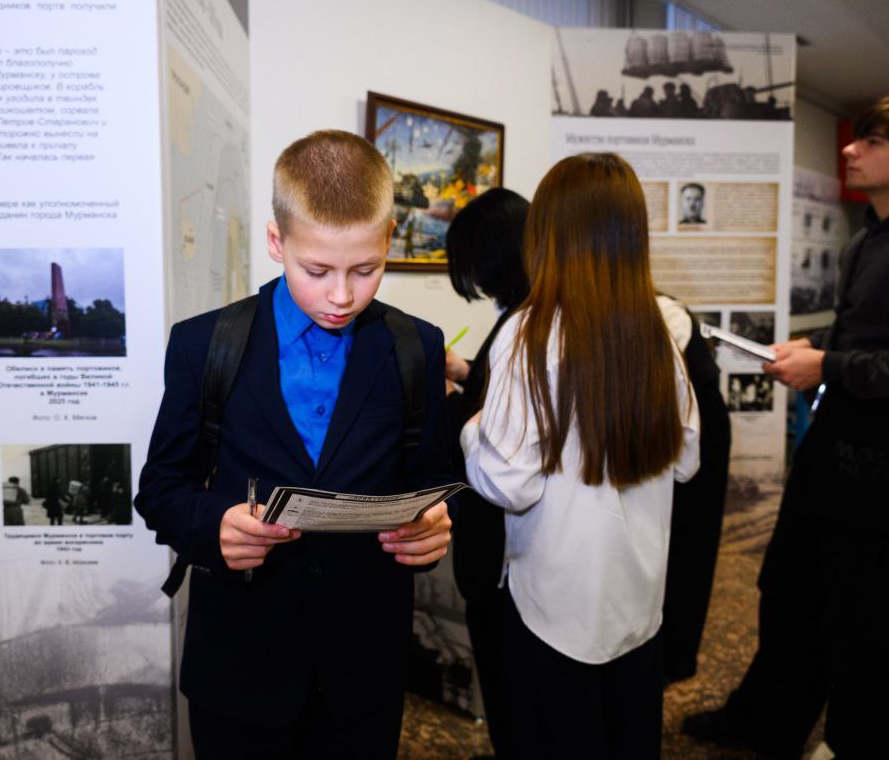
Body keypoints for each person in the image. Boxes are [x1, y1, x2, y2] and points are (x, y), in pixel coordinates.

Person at [683, 87, 889, 758]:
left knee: (878, 629)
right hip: (838, 458)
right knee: (794, 595)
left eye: (873, 141)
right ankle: (764, 719)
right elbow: (873, 341)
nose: (851, 149)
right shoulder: (873, 238)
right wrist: (816, 354)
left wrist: (830, 366)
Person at [135, 129, 453, 759]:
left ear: (389, 238)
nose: (342, 295)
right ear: (277, 242)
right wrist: (213, 525)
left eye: (366, 270)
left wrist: (435, 529)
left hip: (363, 674)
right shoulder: (206, 345)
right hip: (239, 668)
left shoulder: (417, 347)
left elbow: (433, 484)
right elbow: (160, 490)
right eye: (317, 270)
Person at [463, 153, 700, 757]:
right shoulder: (655, 328)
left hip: (554, 606)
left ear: (548, 232)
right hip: (637, 603)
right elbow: (687, 457)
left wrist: (474, 429)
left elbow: (507, 483)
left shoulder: (529, 330)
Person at [442, 186, 531, 758]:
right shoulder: (527, 315)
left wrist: (448, 401)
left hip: (498, 538)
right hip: (502, 540)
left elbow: (498, 432)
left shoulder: (522, 325)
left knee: (505, 672)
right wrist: (466, 371)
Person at [658, 296, 731, 683]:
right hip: (679, 433)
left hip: (697, 436)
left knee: (689, 547)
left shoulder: (663, 313)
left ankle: (676, 656)